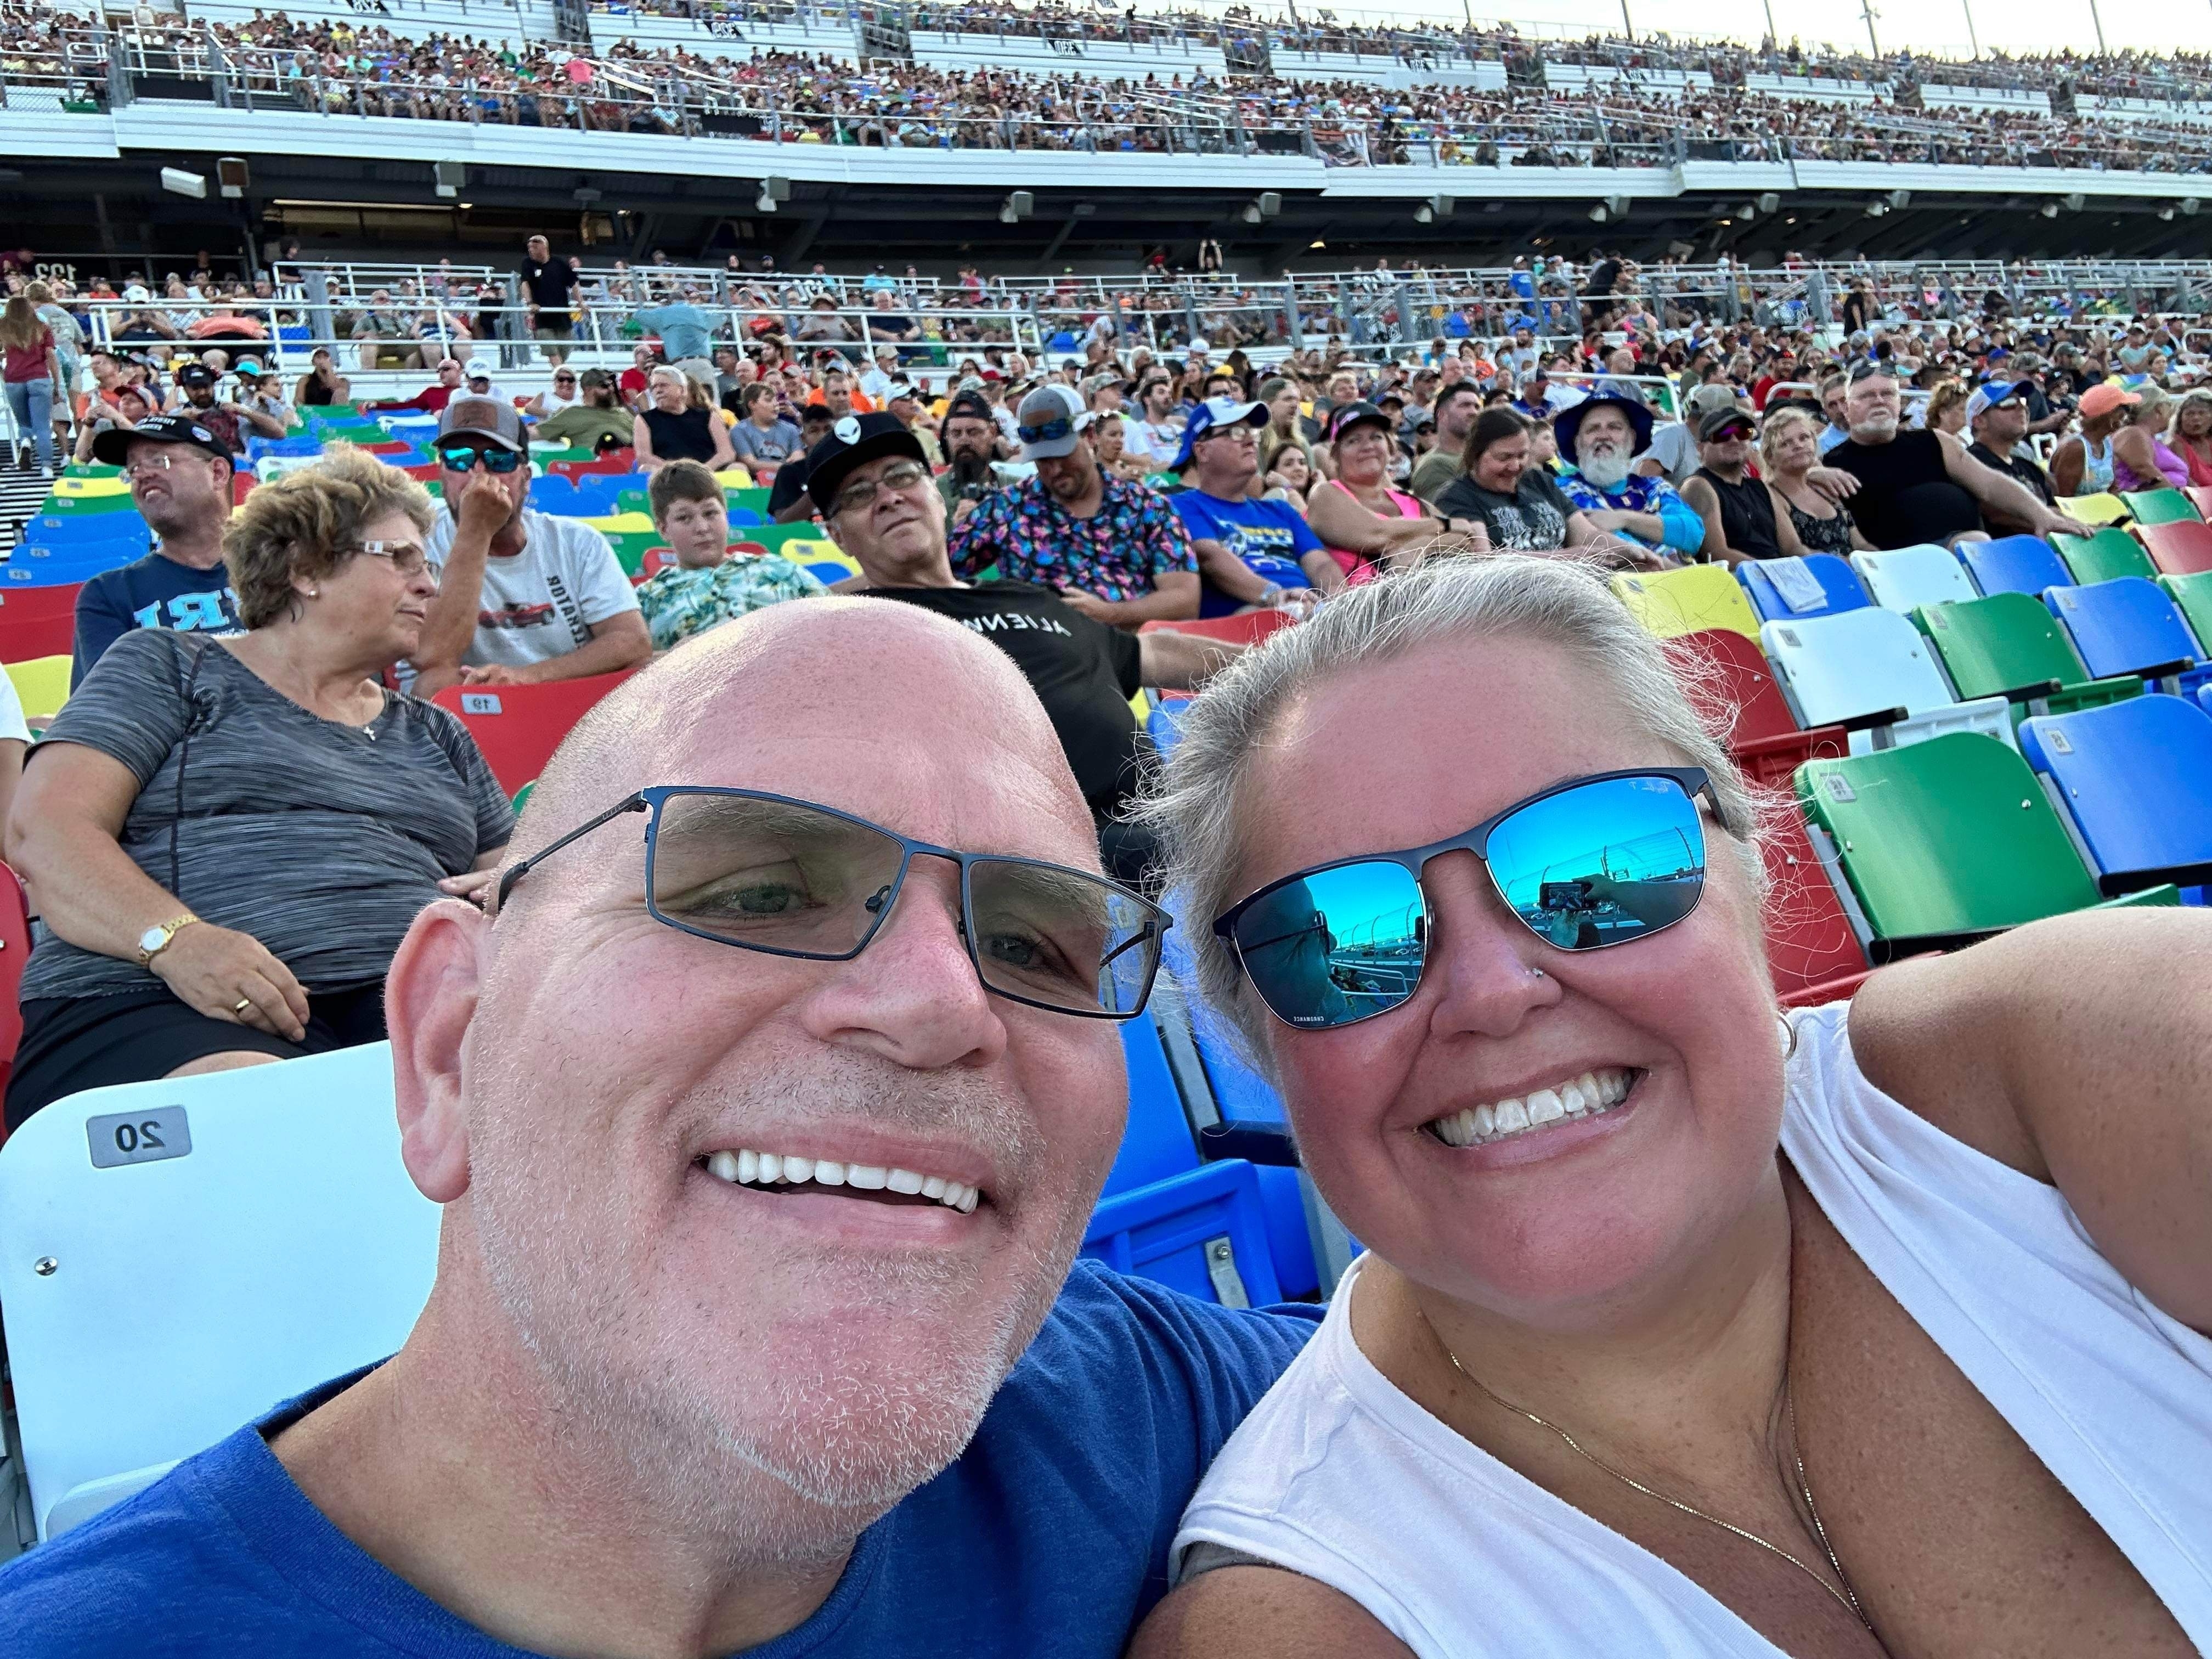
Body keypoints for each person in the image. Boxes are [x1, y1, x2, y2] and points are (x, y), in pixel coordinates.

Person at [0, 588, 1325, 1652]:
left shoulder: (1150, 1407)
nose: (941, 1005)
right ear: (450, 1045)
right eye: (755, 894)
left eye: (1036, 946)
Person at [1132, 558, 2212, 1657]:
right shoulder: (1297, 1623)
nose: (1493, 992)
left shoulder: (2054, 1071)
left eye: (1595, 866)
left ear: (1753, 874)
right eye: (1341, 937)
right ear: (1261, 1040)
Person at [3, 449, 510, 1130]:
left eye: (428, 566)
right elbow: (46, 828)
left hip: (410, 1005)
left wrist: (513, 886)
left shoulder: (437, 732)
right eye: (401, 559)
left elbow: (513, 870)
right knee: (267, 1120)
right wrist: (177, 942)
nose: (428, 586)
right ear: (305, 568)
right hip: (163, 998)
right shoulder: (170, 665)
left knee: (539, 1091)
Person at [813, 411, 1244, 884]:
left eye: (901, 477)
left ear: (936, 494)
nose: (889, 498)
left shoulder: (1026, 596)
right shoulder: (856, 631)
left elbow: (1149, 655)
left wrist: (1282, 663)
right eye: (858, 495)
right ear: (837, 536)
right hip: (1034, 863)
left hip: (1163, 820)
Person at [405, 398, 651, 697]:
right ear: (442, 473)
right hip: (476, 701)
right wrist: (475, 530)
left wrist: (525, 679)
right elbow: (430, 655)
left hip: (562, 690)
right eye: (459, 459)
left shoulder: (576, 541)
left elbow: (631, 639)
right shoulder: (419, 541)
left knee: (651, 666)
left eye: (500, 460)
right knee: (434, 684)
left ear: (526, 478)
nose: (479, 473)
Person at [948, 386, 1200, 629]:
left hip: (1129, 648)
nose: (1055, 469)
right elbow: (939, 571)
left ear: (1089, 435)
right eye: (1043, 460)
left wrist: (1112, 614)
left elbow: (1185, 600)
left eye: (1063, 454)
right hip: (1041, 649)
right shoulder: (1006, 509)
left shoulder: (1148, 508)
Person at [74, 414, 247, 685]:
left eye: (159, 460)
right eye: (132, 469)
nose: (142, 475)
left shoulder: (289, 570)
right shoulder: (108, 595)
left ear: (217, 473)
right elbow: (109, 705)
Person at [1830, 366, 2075, 549]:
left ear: (1899, 403)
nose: (1879, 401)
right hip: (1899, 568)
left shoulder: (1935, 441)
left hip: (1975, 554)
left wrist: (2042, 516)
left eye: (1888, 394)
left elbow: (1990, 484)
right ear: (1847, 409)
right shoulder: (1832, 464)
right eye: (1866, 396)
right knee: (1974, 542)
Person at [1169, 398, 1343, 617]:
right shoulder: (1180, 506)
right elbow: (1210, 557)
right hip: (1243, 620)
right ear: (1202, 451)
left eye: (1252, 433)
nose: (1250, 440)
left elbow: (1320, 564)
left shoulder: (1281, 510)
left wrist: (1340, 605)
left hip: (1307, 611)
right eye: (1236, 433)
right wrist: (1273, 595)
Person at [634, 459, 824, 652]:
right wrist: (672, 656)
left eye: (710, 513)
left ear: (726, 516)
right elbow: (633, 662)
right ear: (663, 529)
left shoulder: (777, 570)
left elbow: (831, 617)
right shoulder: (647, 599)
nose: (702, 528)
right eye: (684, 518)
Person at [1305, 403, 1486, 583]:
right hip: (1357, 598)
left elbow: (1465, 538)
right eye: (1353, 441)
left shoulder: (1411, 501)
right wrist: (1443, 526)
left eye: (1376, 437)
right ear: (1336, 454)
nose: (1367, 446)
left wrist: (1417, 547)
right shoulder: (1325, 494)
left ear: (1390, 448)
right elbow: (1376, 534)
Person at [1434, 410, 1640, 562]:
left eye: (1522, 455)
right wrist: (1566, 558)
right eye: (1504, 458)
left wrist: (1632, 552)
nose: (1515, 466)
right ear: (1475, 456)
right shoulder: (1457, 496)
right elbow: (1485, 561)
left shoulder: (1539, 481)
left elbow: (1588, 535)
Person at [1553, 396, 1703, 563]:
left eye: (1614, 427)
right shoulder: (1563, 489)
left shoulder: (1655, 486)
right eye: (1592, 429)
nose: (1603, 436)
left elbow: (1694, 535)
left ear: (1631, 439)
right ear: (1577, 443)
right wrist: (1660, 529)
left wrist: (1624, 518)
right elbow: (1615, 547)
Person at [1680, 405, 1788, 563]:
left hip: (1777, 571)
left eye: (1743, 434)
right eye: (1723, 435)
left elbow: (1793, 547)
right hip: (1736, 576)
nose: (1734, 440)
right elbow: (1717, 554)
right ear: (1701, 448)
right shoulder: (1698, 486)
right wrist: (1771, 570)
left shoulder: (1761, 488)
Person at [1760, 405, 1866, 556]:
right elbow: (1795, 551)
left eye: (1804, 438)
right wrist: (1848, 564)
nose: (1798, 445)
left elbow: (1860, 543)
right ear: (1770, 457)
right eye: (1785, 443)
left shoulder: (1823, 487)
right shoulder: (1769, 494)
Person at [1963, 381, 2057, 528]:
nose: (2023, 408)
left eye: (2022, 401)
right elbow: (1999, 515)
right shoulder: (1971, 463)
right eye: (2008, 403)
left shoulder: (2028, 467)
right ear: (1979, 421)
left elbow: (2057, 508)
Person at [169, 360, 287, 458]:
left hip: (238, 466)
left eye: (206, 386)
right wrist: (179, 422)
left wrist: (246, 412)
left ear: (213, 385)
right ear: (185, 389)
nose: (202, 392)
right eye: (195, 388)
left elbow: (280, 433)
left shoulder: (233, 411)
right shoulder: (178, 415)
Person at [633, 366, 737, 473]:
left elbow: (727, 453)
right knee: (646, 469)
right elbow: (644, 457)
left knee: (738, 468)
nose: (658, 391)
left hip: (710, 473)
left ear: (682, 390)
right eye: (654, 387)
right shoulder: (644, 420)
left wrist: (702, 471)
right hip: (668, 475)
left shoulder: (709, 416)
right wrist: (681, 471)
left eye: (663, 385)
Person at [2, 290, 62, 475]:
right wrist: (57, 384)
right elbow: (51, 356)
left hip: (13, 380)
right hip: (39, 378)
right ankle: (47, 467)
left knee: (23, 423)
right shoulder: (42, 327)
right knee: (42, 426)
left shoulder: (3, 327)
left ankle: (26, 441)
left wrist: (4, 372)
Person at [2050, 382, 2134, 499]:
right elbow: (2064, 498)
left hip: (2101, 507)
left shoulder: (2107, 443)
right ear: (2107, 416)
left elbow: (2112, 488)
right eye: (2121, 415)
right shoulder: (2075, 448)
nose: (2124, 419)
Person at [1408, 382, 1484, 503]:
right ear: (1442, 414)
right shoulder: (1433, 466)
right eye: (1465, 405)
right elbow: (1445, 512)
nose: (1474, 412)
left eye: (1477, 407)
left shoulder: (1482, 457)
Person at [936, 390, 1005, 526]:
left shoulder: (1015, 490)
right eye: (956, 433)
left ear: (993, 433)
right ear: (947, 437)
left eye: (973, 432)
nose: (964, 441)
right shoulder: (933, 495)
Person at [531, 368, 634, 453]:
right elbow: (535, 433)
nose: (611, 389)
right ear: (588, 390)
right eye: (604, 386)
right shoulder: (573, 414)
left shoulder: (622, 412)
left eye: (612, 385)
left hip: (632, 459)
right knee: (608, 440)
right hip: (598, 463)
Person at [2112, 387, 2190, 494]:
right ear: (2160, 409)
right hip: (2145, 501)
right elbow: (2144, 470)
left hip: (2159, 498)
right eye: (2169, 407)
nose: (2172, 415)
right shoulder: (2134, 433)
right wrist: (2176, 496)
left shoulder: (2148, 437)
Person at [630, 290, 718, 384]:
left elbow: (638, 316)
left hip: (680, 365)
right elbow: (722, 318)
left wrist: (661, 313)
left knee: (682, 393)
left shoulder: (665, 313)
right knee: (709, 393)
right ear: (686, 300)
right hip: (703, 363)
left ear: (671, 301)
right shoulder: (700, 312)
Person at [518, 233, 580, 364]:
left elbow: (574, 283)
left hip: (562, 316)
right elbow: (525, 283)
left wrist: (581, 303)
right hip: (542, 317)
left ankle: (560, 374)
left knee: (564, 351)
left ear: (544, 247)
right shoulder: (528, 264)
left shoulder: (559, 263)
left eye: (534, 247)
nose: (531, 250)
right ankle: (561, 373)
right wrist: (530, 303)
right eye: (529, 248)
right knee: (551, 351)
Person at [727, 381, 804, 473]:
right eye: (769, 400)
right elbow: (751, 463)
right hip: (756, 479)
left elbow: (799, 456)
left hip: (788, 477)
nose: (776, 404)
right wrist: (785, 467)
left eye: (776, 400)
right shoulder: (739, 431)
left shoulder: (791, 429)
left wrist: (792, 464)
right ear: (752, 404)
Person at [2170, 390, 2212, 490]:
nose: (2196, 418)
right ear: (2180, 419)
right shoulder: (2177, 445)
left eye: (2202, 413)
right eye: (2190, 414)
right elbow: (2188, 481)